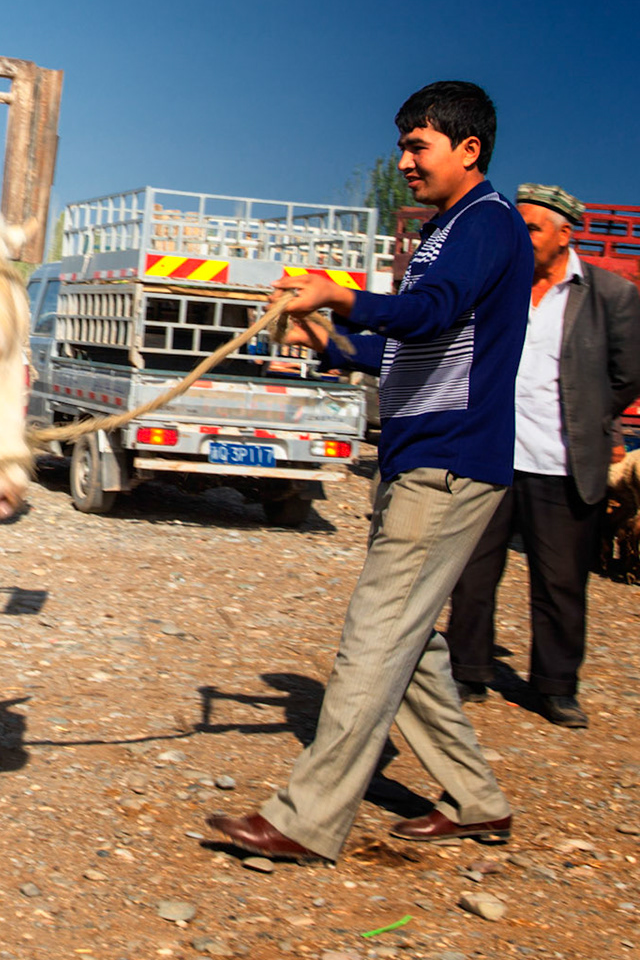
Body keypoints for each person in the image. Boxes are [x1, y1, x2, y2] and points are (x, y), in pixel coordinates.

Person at [208, 81, 532, 862]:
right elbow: (403, 347)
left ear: (468, 149)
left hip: (449, 462)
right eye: (404, 144)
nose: (404, 160)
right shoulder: (446, 232)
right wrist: (326, 333)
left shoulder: (485, 226)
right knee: (409, 644)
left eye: (417, 145)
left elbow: (426, 313)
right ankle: (478, 800)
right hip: (422, 459)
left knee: (375, 637)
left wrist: (343, 293)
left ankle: (305, 819)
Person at [445, 184, 640, 728]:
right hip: (491, 454)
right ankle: (468, 670)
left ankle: (555, 687)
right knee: (473, 570)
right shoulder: (497, 287)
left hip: (562, 461)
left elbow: (629, 374)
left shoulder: (609, 296)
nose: (521, 238)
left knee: (560, 580)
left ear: (564, 234)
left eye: (531, 228)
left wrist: (593, 414)